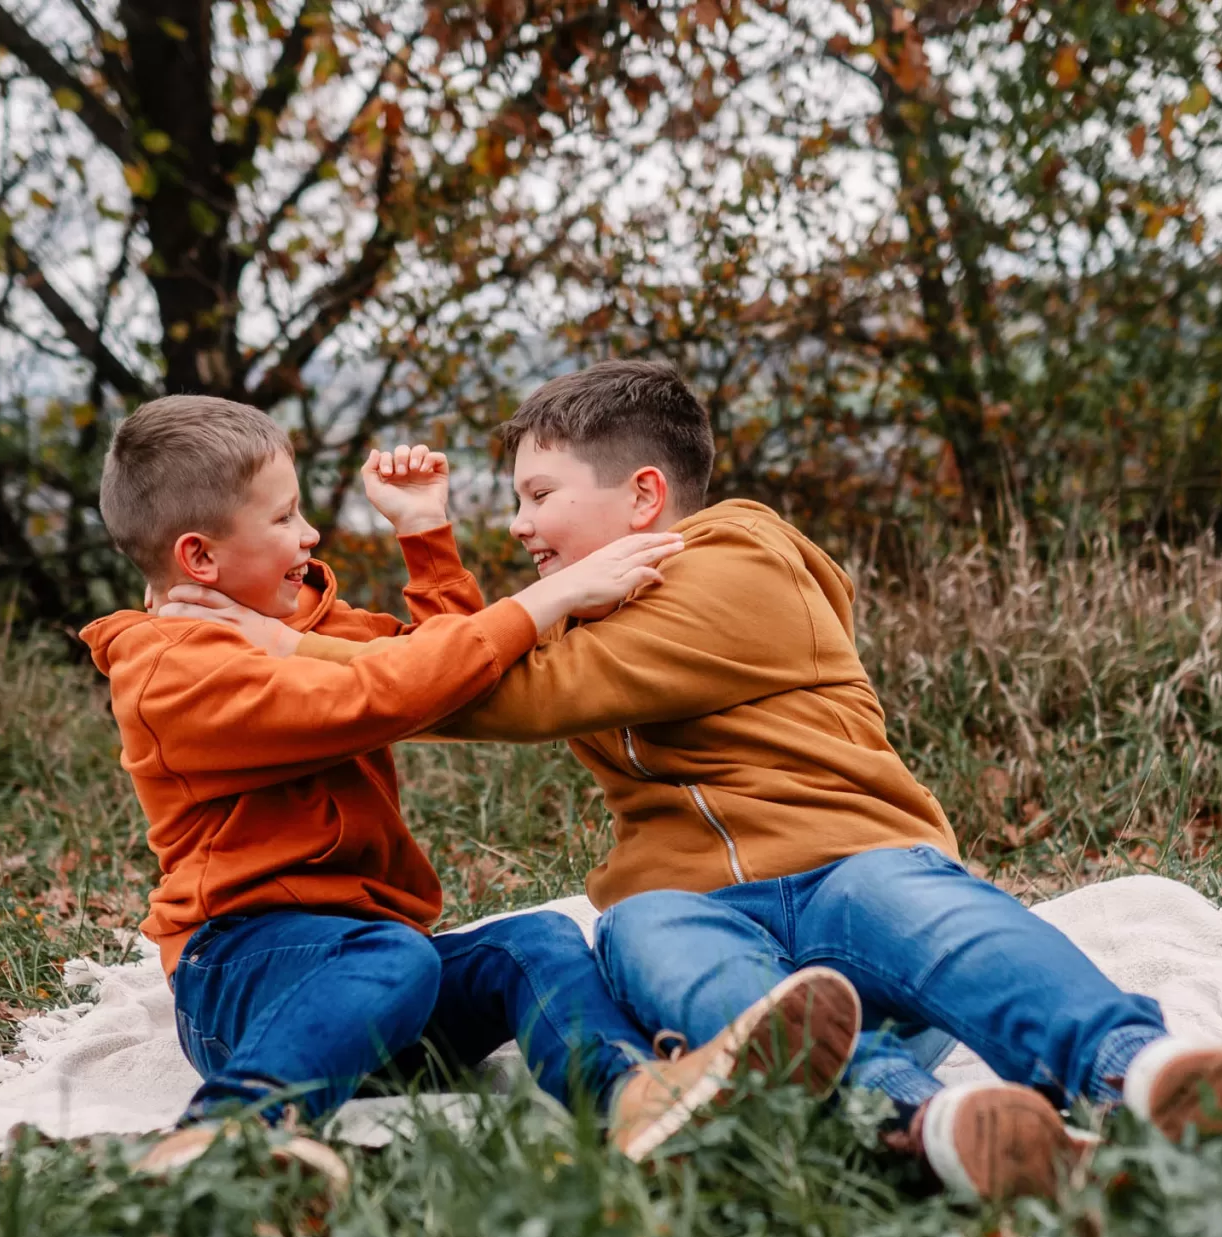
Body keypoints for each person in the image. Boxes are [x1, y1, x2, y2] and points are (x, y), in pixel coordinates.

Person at [156, 364, 1222, 1200]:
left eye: (541, 496)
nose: (524, 528)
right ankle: (929, 1120)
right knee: (655, 952)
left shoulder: (739, 565)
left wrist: (284, 647)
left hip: (846, 860)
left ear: (645, 500)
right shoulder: (595, 598)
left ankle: (1140, 1072)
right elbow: (474, 659)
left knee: (942, 926)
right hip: (685, 898)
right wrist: (433, 554)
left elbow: (503, 690)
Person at [80, 395, 863, 1182]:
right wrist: (547, 599)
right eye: (285, 518)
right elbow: (373, 698)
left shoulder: (306, 625)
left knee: (535, 941)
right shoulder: (166, 671)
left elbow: (447, 666)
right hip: (240, 974)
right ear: (200, 558)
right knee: (394, 955)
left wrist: (425, 533)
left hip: (377, 977)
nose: (310, 535)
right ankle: (229, 1132)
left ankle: (631, 1098)